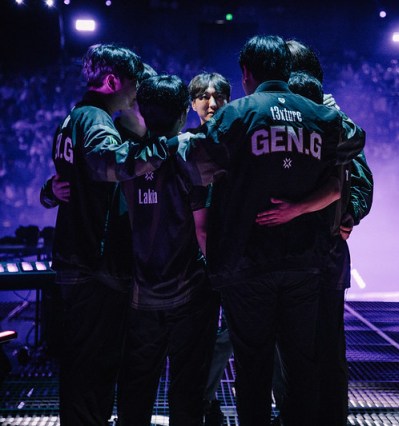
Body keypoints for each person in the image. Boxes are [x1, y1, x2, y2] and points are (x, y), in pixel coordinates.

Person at [175, 34, 364, 426]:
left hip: (247, 265)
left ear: (246, 73)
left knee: (253, 365)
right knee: (301, 363)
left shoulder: (236, 113)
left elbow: (195, 163)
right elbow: (354, 142)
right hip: (305, 266)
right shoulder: (321, 115)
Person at [262, 41, 374, 426]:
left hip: (321, 256)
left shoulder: (331, 118)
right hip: (291, 255)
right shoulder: (291, 115)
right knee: (294, 350)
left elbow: (360, 181)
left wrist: (349, 216)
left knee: (323, 348)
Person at [45, 43, 143, 425]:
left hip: (73, 260)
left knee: (78, 367)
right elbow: (109, 165)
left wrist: (47, 191)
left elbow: (63, 182)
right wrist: (163, 150)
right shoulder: (97, 121)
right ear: (113, 80)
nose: (135, 92)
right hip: (95, 266)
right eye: (132, 83)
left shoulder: (72, 118)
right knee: (97, 371)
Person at [115, 74, 220, 425]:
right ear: (182, 114)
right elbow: (203, 230)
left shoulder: (126, 159)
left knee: (135, 388)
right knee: (187, 391)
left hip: (141, 295)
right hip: (189, 295)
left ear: (142, 111)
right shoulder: (191, 153)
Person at [185, 71, 234, 425]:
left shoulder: (240, 141)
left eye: (218, 96)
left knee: (234, 332)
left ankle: (202, 397)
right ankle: (203, 400)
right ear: (192, 103)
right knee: (201, 336)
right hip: (198, 259)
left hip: (236, 257)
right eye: (203, 96)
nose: (211, 102)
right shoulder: (186, 143)